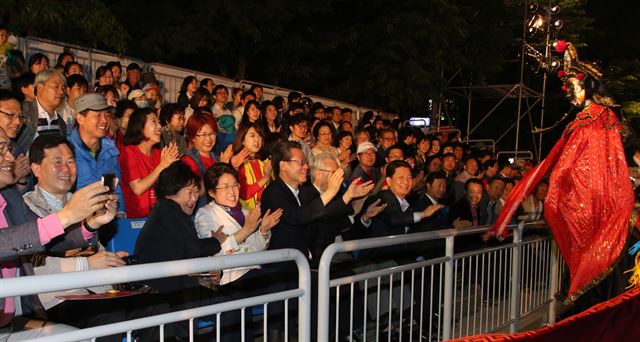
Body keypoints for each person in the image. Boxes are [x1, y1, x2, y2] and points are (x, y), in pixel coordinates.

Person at [490, 41, 634, 303]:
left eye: (573, 87)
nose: (570, 94)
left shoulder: (596, 117)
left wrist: (562, 183)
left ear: (587, 85)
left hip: (595, 199)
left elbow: (580, 165)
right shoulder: (596, 117)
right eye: (567, 89)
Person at [0, 127, 118, 340]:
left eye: (8, 148)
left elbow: (45, 238)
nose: (10, 157)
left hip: (13, 320)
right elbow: (8, 241)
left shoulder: (11, 199)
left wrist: (90, 224)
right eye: (1, 149)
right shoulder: (25, 199)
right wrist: (67, 215)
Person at [133, 161, 239, 340]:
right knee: (227, 309)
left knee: (230, 309)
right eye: (189, 192)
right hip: (164, 294)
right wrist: (216, 241)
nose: (194, 198)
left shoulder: (171, 212)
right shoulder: (167, 211)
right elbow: (193, 249)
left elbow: (186, 251)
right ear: (171, 193)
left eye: (196, 192)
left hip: (178, 288)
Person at [69, 93, 126, 215]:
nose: (104, 120)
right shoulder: (67, 150)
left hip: (107, 219)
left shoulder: (110, 149)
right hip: (78, 223)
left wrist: (120, 211)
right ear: (80, 118)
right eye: (98, 115)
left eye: (106, 115)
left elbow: (114, 187)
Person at [119, 107, 179, 218]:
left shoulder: (160, 153)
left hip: (157, 216)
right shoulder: (129, 153)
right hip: (136, 219)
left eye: (159, 122)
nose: (160, 127)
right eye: (153, 122)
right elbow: (137, 188)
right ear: (140, 127)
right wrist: (162, 166)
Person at [232, 123, 271, 210]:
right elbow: (243, 193)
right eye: (252, 135)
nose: (257, 139)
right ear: (242, 140)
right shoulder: (238, 164)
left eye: (259, 135)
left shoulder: (262, 164)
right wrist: (266, 178)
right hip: (247, 216)